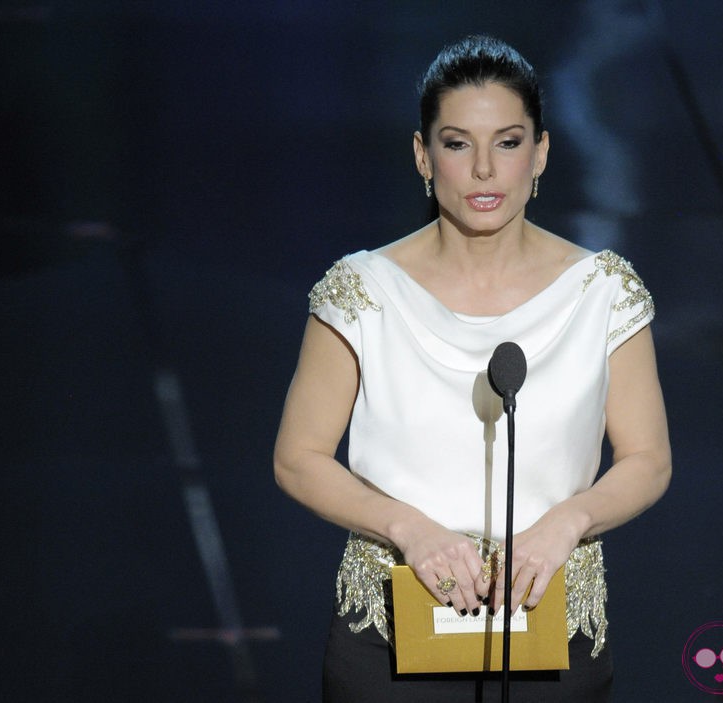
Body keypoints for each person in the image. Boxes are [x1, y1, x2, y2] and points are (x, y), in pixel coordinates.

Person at [274, 35, 671, 702]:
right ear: (423, 156)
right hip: (391, 638)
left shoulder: (603, 290)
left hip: (552, 633)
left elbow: (648, 458)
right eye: (458, 144)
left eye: (508, 142)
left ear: (540, 152)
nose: (485, 168)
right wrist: (411, 529)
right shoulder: (362, 289)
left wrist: (568, 521)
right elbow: (298, 457)